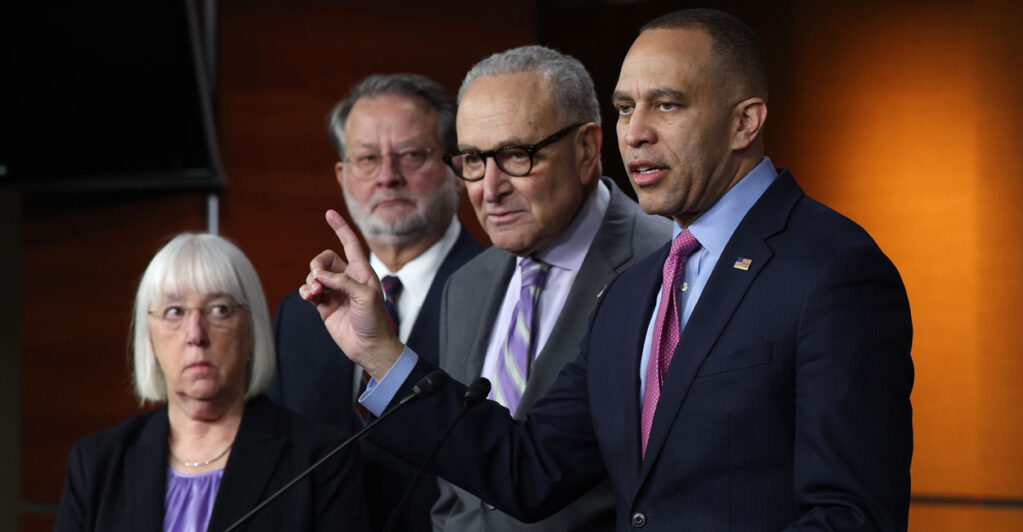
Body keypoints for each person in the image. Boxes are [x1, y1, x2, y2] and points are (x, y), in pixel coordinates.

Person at [300, 8, 914, 532]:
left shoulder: (832, 269)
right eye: (625, 108)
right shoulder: (637, 289)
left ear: (745, 122)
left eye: (667, 105)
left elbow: (850, 515)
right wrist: (380, 353)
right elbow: (529, 468)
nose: (637, 133)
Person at [433, 45, 671, 531]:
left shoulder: (666, 264)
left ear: (586, 150)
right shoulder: (465, 284)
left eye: (516, 155)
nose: (488, 188)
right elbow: (454, 486)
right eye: (473, 160)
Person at [265, 73, 484, 531]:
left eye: (411, 155)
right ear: (343, 176)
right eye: (368, 158)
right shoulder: (298, 316)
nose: (388, 176)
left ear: (457, 167)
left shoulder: (500, 291)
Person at [55, 233, 369, 531]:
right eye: (174, 311)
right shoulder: (95, 463)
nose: (195, 334)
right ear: (149, 337)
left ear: (251, 332)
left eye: (219, 309)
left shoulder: (322, 460)